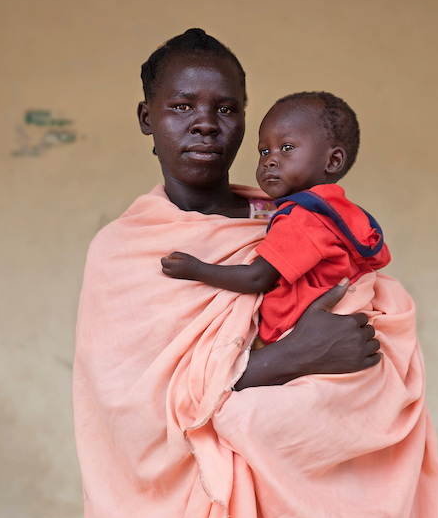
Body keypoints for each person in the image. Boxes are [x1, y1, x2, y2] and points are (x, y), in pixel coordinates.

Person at [72, 28, 438, 518]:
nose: (207, 124)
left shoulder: (300, 225)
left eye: (228, 108)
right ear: (146, 119)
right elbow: (132, 419)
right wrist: (286, 360)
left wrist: (316, 372)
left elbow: (379, 345)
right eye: (182, 106)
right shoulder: (123, 254)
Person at [161, 92, 389, 345]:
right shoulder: (336, 209)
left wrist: (196, 269)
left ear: (333, 160)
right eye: (264, 150)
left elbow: (256, 278)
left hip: (305, 340)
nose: (270, 160)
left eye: (287, 148)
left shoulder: (302, 218)